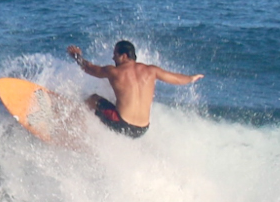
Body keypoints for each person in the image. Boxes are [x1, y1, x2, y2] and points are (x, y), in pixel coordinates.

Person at [66, 40, 201, 137]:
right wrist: (191, 78)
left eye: (115, 54)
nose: (113, 57)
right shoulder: (152, 70)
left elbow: (88, 68)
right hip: (142, 129)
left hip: (122, 123)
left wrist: (76, 56)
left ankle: (70, 127)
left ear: (124, 55)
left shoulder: (114, 71)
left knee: (93, 99)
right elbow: (176, 79)